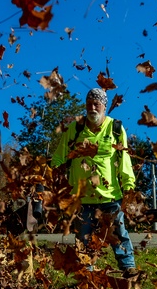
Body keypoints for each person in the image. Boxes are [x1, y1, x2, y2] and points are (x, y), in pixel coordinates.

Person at [51, 88, 139, 277]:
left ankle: (128, 267)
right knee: (83, 238)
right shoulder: (76, 129)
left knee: (118, 233)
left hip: (110, 196)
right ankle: (86, 272)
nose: (92, 107)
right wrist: (54, 176)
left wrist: (129, 186)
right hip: (82, 198)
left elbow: (124, 161)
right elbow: (59, 157)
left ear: (104, 106)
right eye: (89, 103)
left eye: (96, 104)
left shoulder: (115, 128)